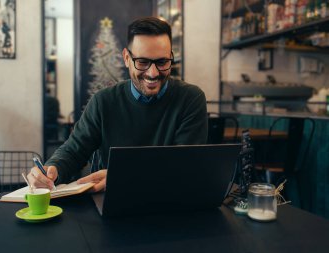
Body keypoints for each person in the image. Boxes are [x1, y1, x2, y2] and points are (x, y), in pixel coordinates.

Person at [27, 16, 208, 192]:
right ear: (127, 58)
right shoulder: (103, 101)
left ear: (171, 57)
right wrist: (52, 169)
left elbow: (184, 165)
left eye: (162, 62)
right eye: (142, 62)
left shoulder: (190, 99)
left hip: (169, 203)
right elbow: (75, 150)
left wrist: (122, 176)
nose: (153, 73)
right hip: (110, 203)